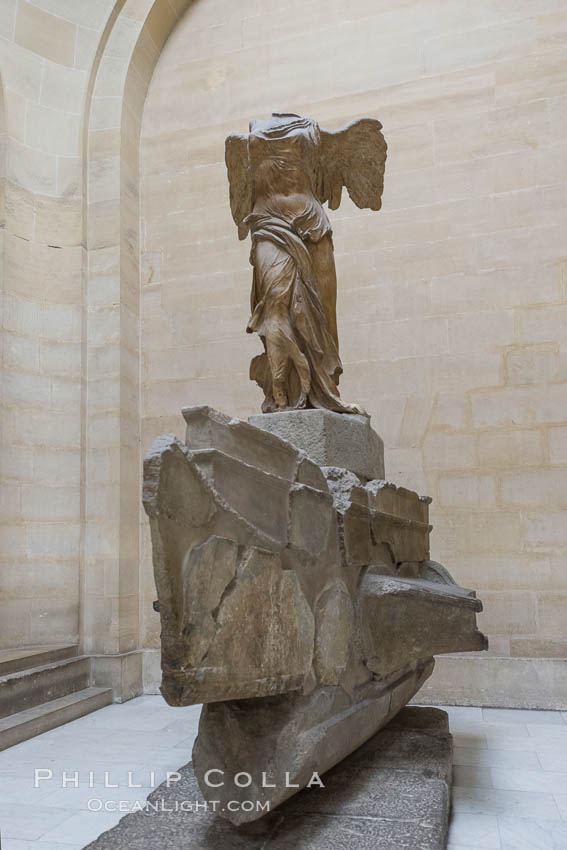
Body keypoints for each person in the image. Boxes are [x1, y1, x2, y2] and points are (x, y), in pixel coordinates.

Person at [225, 113, 386, 414]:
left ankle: (326, 390)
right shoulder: (249, 133)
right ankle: (280, 391)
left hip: (312, 226)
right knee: (275, 308)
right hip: (268, 223)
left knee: (322, 316)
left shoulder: (316, 133)